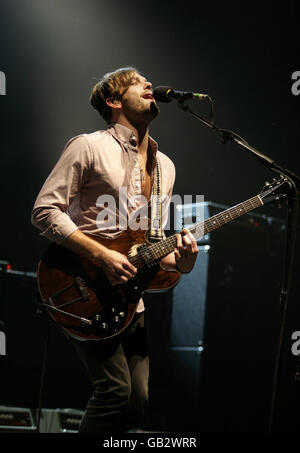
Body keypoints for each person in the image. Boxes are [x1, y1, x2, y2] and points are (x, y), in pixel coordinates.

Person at [31, 67, 198, 433]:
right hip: (81, 285)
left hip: (128, 299)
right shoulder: (88, 146)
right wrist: (102, 256)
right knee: (115, 391)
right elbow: (44, 211)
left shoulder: (165, 167)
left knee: (137, 399)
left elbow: (152, 244)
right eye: (139, 82)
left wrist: (183, 262)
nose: (150, 84)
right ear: (113, 100)